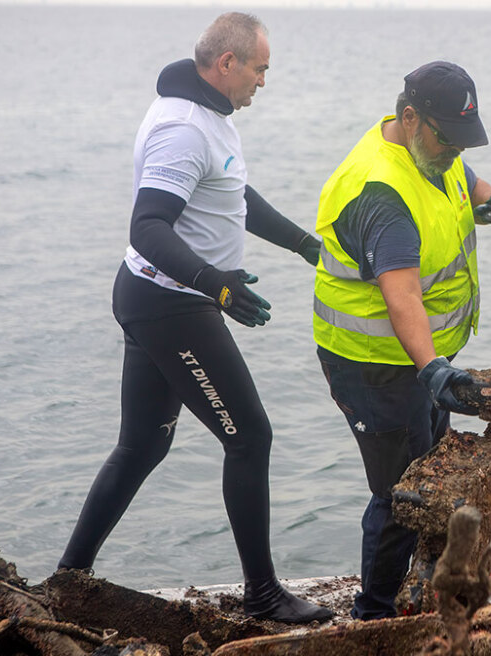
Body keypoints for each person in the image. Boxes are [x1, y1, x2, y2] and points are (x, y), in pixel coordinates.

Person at [57, 12, 333, 624]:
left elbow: (231, 194)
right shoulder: (183, 127)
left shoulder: (212, 117)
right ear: (226, 63)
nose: (264, 80)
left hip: (153, 296)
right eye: (260, 68)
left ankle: (67, 579)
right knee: (249, 436)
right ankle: (262, 592)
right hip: (171, 305)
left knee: (140, 447)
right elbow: (148, 224)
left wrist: (303, 245)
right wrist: (218, 288)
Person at [312, 60, 491, 619]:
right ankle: (375, 614)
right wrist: (433, 368)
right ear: (410, 118)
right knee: (402, 495)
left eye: (465, 142)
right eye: (449, 140)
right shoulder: (381, 194)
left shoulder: (432, 152)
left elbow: (461, 184)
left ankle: (418, 592)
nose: (456, 153)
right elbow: (402, 297)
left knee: (431, 466)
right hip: (376, 366)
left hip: (416, 360)